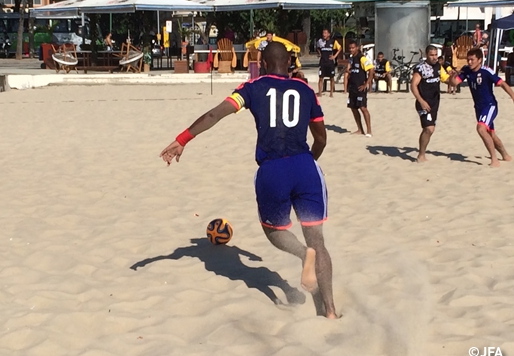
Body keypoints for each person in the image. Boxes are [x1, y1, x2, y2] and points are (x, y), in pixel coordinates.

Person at [159, 42, 337, 319]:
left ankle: (304, 255)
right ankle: (330, 311)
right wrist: (310, 161)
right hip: (305, 167)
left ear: (263, 63)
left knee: (274, 230)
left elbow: (214, 114)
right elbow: (322, 138)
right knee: (319, 241)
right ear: (289, 64)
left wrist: (182, 140)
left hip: (273, 170)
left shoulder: (252, 87)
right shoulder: (306, 90)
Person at [452, 48, 514, 167]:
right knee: (491, 134)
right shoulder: (466, 70)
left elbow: (502, 83)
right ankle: (505, 155)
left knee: (481, 128)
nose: (469, 62)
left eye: (472, 60)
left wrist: (512, 96)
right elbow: (454, 83)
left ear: (479, 60)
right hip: (478, 107)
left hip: (490, 105)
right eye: (468, 59)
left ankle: (494, 159)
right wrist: (452, 76)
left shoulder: (486, 71)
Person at [410, 46, 455, 163]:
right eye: (432, 55)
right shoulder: (420, 68)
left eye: (436, 55)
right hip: (423, 103)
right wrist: (421, 100)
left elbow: (446, 80)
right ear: (426, 54)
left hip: (435, 103)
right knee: (428, 129)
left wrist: (454, 76)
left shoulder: (438, 67)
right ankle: (421, 155)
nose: (434, 57)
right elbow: (413, 85)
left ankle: (422, 153)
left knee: (431, 129)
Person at [345, 41, 374, 136]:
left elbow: (371, 69)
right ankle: (360, 129)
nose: (351, 50)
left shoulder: (361, 58)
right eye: (350, 48)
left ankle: (369, 130)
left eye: (353, 48)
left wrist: (366, 84)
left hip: (360, 87)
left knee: (363, 108)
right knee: (353, 108)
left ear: (357, 48)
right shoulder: (351, 58)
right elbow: (349, 70)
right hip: (352, 87)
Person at [316, 29, 341, 98]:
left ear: (329, 34)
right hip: (322, 62)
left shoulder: (333, 41)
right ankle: (320, 92)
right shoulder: (320, 41)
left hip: (330, 63)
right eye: (323, 33)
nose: (324, 34)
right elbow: (317, 47)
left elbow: (339, 48)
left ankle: (331, 93)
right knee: (321, 77)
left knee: (331, 78)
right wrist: (319, 53)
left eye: (326, 33)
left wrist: (334, 56)